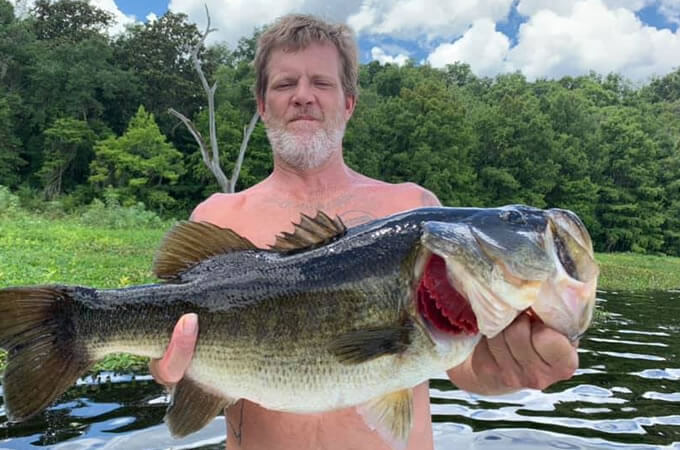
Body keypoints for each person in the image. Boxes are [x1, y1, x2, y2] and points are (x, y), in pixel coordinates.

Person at [150, 14, 579, 450]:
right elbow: (169, 356)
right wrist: (166, 370)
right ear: (262, 105)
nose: (303, 96)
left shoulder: (417, 210)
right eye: (284, 84)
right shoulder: (217, 216)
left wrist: (504, 370)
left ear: (349, 102)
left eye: (321, 82)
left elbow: (462, 365)